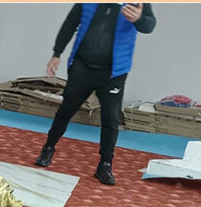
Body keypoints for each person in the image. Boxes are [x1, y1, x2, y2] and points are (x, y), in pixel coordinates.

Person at [34, 3, 156, 185]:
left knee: (111, 119)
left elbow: (149, 25)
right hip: (82, 67)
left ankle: (105, 165)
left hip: (114, 73)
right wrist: (56, 54)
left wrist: (139, 19)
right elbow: (70, 24)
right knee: (66, 110)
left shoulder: (136, 3)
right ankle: (48, 148)